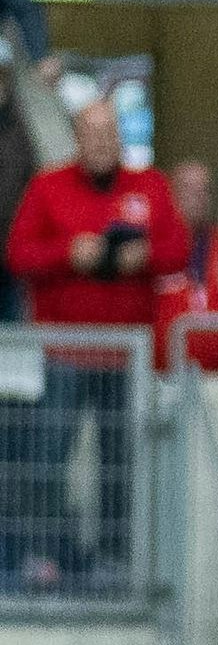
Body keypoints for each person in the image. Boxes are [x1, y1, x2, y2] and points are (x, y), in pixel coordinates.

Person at [5, 97, 183, 579]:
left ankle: (111, 559)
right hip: (63, 353)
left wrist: (139, 256)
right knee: (48, 455)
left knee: (119, 463)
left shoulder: (149, 186)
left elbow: (178, 247)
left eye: (110, 133)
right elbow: (19, 254)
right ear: (77, 138)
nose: (102, 142)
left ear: (120, 139)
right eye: (93, 133)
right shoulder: (48, 187)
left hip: (127, 358)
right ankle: (44, 554)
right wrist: (72, 252)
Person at [153, 160, 218, 372]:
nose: (199, 197)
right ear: (171, 194)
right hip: (158, 380)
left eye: (205, 190)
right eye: (190, 189)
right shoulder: (152, 247)